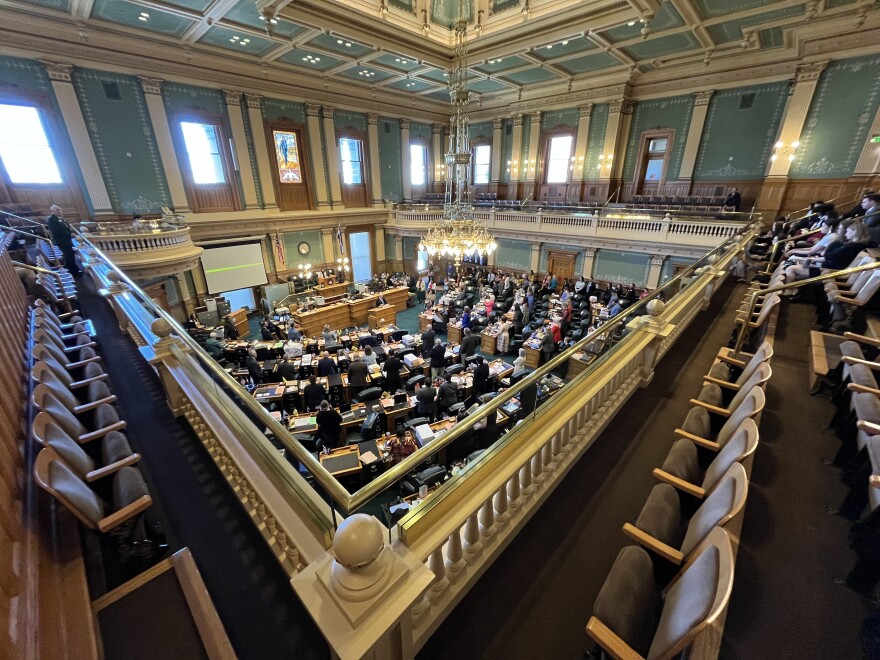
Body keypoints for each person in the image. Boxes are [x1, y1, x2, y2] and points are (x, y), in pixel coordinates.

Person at [45, 205, 81, 276]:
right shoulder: (51, 219)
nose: (59, 212)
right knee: (68, 256)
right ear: (52, 211)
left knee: (69, 256)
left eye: (60, 210)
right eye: (57, 210)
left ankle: (72, 271)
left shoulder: (59, 218)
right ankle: (74, 272)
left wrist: (69, 233)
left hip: (66, 240)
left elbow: (65, 227)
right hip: (61, 241)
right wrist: (69, 234)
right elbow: (57, 231)